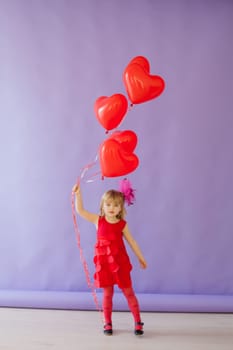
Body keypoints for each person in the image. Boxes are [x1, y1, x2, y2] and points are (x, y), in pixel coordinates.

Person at [72, 184, 147, 336]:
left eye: (116, 205)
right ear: (102, 206)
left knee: (129, 292)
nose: (111, 208)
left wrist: (141, 258)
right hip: (104, 264)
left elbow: (132, 241)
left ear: (121, 208)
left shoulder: (122, 225)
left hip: (120, 264)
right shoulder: (98, 221)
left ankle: (138, 322)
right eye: (108, 204)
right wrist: (78, 195)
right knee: (107, 294)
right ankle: (107, 322)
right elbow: (80, 211)